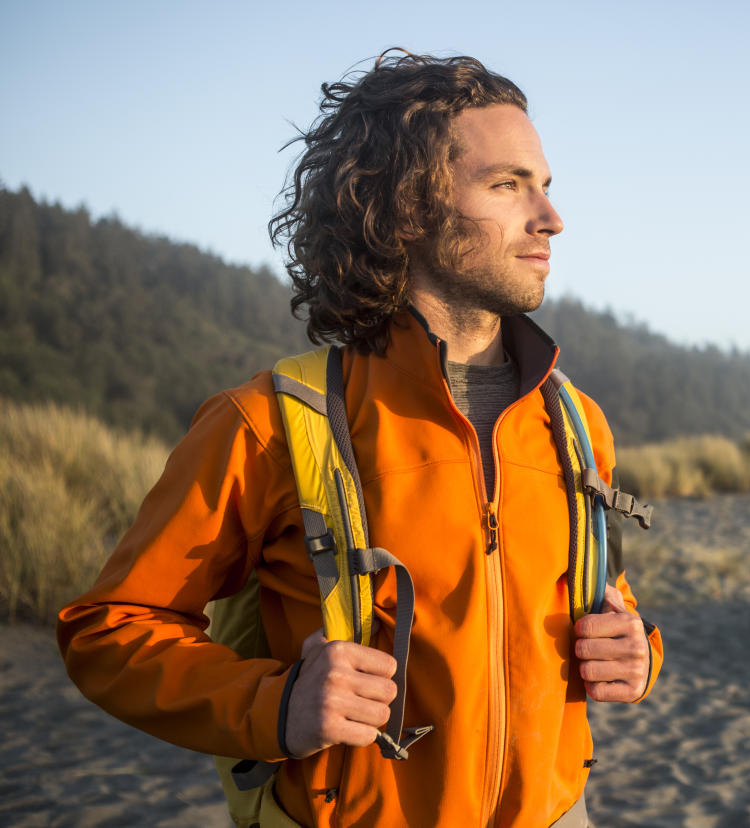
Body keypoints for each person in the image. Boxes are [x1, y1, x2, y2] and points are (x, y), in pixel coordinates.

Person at [57, 51, 662, 828]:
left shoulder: (576, 421)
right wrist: (274, 705)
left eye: (544, 187)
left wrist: (638, 650)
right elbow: (109, 629)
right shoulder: (271, 420)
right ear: (408, 206)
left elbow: (599, 599)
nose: (550, 218)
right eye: (508, 185)